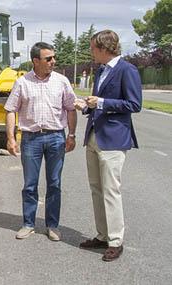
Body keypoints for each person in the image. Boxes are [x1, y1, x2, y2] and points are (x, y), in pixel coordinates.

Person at [74, 30, 142, 262]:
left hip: (113, 140)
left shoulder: (127, 70)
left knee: (111, 190)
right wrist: (85, 106)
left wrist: (101, 102)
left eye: (93, 48)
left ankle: (116, 241)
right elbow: (97, 104)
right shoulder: (101, 70)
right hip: (94, 135)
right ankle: (102, 235)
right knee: (96, 189)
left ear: (104, 49)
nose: (91, 52)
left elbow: (134, 104)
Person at [4, 42, 77, 241]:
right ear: (35, 61)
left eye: (54, 57)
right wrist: (10, 138)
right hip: (31, 139)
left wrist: (71, 135)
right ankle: (28, 224)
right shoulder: (22, 82)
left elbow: (70, 108)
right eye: (48, 58)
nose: (53, 61)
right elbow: (11, 109)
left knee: (54, 183)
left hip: (56, 138)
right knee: (30, 184)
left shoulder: (62, 81)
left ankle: (52, 225)